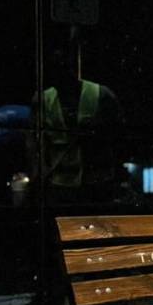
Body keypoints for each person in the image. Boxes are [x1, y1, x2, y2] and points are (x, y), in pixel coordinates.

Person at [34, 45, 122, 204]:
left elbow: (119, 134)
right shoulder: (42, 100)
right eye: (54, 68)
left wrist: (98, 131)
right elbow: (34, 143)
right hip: (60, 185)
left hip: (96, 183)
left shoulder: (102, 94)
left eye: (63, 66)